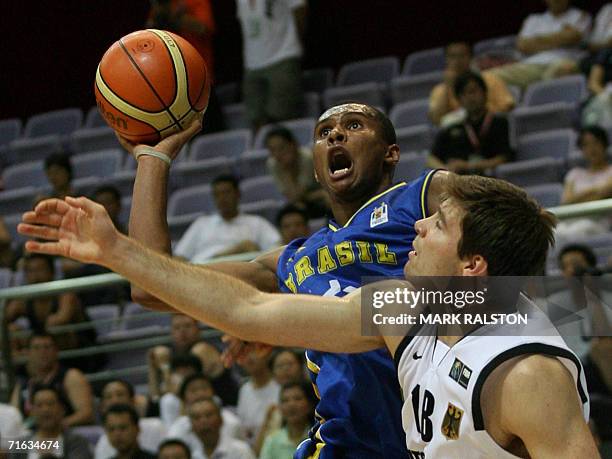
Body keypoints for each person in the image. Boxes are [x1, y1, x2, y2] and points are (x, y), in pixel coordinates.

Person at [20, 174, 601, 457]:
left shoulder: (526, 378)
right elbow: (250, 308)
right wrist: (117, 250)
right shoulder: (407, 305)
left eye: (438, 225)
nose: (418, 226)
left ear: (473, 265)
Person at [103, 102, 447, 458]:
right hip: (343, 444)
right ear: (315, 170)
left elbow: (507, 284)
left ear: (391, 153)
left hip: (442, 429)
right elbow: (150, 286)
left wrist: (370, 315)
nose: (336, 135)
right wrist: (152, 161)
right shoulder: (291, 260)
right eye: (323, 133)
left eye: (355, 125)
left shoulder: (424, 199)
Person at [146, 0, 224, 135]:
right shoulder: (161, 7)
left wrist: (175, 18)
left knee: (211, 131)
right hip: (173, 88)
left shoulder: (196, 2)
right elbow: (150, 39)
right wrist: (160, 17)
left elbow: (203, 28)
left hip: (199, 80)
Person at [173, 174, 281, 263]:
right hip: (204, 272)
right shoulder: (201, 224)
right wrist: (238, 249)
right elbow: (180, 257)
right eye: (217, 195)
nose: (222, 198)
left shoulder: (256, 223)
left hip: (243, 273)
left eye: (226, 193)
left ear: (238, 194)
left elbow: (277, 248)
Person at [4, 253, 97, 354]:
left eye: (40, 269)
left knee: (55, 326)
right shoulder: (23, 301)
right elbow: (4, 317)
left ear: (51, 272)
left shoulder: (66, 295)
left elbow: (60, 320)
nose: (36, 276)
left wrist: (32, 346)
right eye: (30, 271)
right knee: (12, 330)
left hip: (79, 352)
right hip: (44, 353)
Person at [236, 0, 307, 129]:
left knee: (282, 120)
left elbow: (299, 9)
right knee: (256, 121)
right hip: (252, 64)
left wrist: (292, 42)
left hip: (283, 56)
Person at [428, 71, 514, 174]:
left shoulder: (499, 122)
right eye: (463, 94)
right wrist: (445, 170)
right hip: (459, 184)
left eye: (473, 91)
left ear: (485, 93)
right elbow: (431, 158)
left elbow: (504, 158)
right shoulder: (453, 127)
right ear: (459, 100)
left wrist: (469, 166)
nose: (469, 97)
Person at [492, 0, 592, 89]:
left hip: (561, 62)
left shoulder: (581, 15)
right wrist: (561, 36)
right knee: (489, 77)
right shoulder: (533, 19)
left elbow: (573, 37)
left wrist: (537, 41)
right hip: (531, 64)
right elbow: (523, 46)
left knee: (562, 69)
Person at [148, 314, 239, 408]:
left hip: (225, 409)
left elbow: (183, 390)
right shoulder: (172, 353)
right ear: (171, 332)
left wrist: (164, 368)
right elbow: (155, 398)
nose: (182, 331)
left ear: (198, 329)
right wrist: (152, 366)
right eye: (177, 327)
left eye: (187, 326)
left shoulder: (202, 350)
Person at [10, 333, 95, 427]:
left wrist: (52, 429)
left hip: (66, 433)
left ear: (56, 351)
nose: (42, 352)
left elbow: (86, 414)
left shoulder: (71, 376)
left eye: (47, 347)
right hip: (32, 437)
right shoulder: (23, 383)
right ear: (28, 353)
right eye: (36, 348)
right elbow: (12, 415)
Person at [429, 41, 515, 126]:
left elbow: (507, 106)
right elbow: (437, 120)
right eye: (452, 56)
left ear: (471, 57)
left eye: (462, 55)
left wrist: (478, 114)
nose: (457, 61)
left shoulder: (490, 79)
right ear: (446, 59)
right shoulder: (439, 90)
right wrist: (447, 88)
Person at [557, 126, 612, 242]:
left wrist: (578, 197)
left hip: (599, 222)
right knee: (555, 232)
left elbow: (602, 194)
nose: (592, 149)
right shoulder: (574, 173)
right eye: (586, 145)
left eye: (595, 143)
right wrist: (593, 191)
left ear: (604, 145)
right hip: (572, 221)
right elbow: (566, 202)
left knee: (580, 229)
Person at [265, 127, 328, 217]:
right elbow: (292, 197)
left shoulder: (307, 158)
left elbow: (299, 194)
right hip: (307, 199)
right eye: (272, 150)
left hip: (323, 195)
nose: (277, 154)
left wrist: (286, 170)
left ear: (293, 144)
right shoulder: (272, 164)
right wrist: (286, 169)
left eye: (281, 148)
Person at [95, 380, 165, 459]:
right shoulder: (102, 443)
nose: (117, 434)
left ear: (137, 429)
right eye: (111, 429)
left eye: (123, 428)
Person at [18, 386, 92, 459]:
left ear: (62, 409)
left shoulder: (76, 442)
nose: (45, 410)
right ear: (32, 412)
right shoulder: (22, 444)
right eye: (39, 405)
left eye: (50, 404)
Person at [165, 373, 242, 442]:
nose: (200, 394)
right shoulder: (178, 429)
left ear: (214, 393)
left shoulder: (231, 422)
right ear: (184, 399)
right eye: (193, 390)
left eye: (204, 389)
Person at [176, 398, 255, 459]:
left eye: (209, 415)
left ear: (221, 420)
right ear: (191, 426)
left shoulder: (240, 451)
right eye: (197, 418)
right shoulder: (193, 455)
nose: (203, 421)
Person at [259, 381, 316, 459]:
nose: (291, 405)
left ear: (310, 405)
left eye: (297, 399)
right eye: (285, 400)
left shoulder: (318, 438)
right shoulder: (272, 441)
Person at [235, 349, 280, 446]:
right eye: (244, 354)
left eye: (253, 352)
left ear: (267, 355)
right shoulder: (244, 389)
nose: (249, 358)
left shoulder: (279, 387)